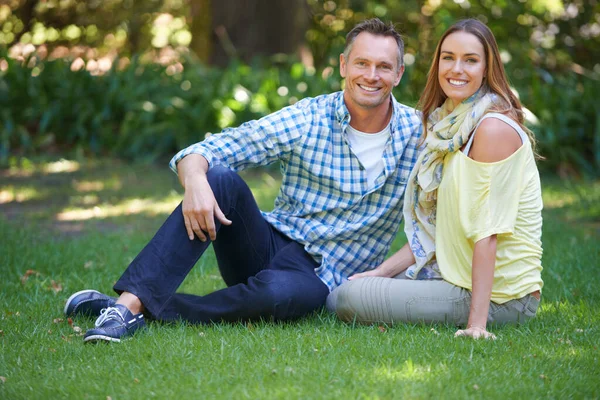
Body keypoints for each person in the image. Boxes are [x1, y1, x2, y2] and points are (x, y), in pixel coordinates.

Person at [63, 18, 422, 343]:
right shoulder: (310, 118)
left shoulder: (418, 136)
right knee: (218, 177)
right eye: (362, 63)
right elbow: (211, 150)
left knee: (276, 295)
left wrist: (380, 273)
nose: (371, 75)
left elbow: (437, 223)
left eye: (383, 66)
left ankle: (135, 309)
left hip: (322, 278)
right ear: (345, 65)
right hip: (267, 246)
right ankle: (125, 308)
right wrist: (196, 182)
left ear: (399, 73)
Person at [327, 19, 543, 340]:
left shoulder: (491, 128)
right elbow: (436, 230)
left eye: (470, 60)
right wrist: (380, 272)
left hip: (502, 297)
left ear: (487, 68)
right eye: (448, 57)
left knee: (344, 299)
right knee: (350, 287)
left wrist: (476, 326)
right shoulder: (448, 126)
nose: (457, 69)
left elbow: (488, 232)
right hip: (453, 273)